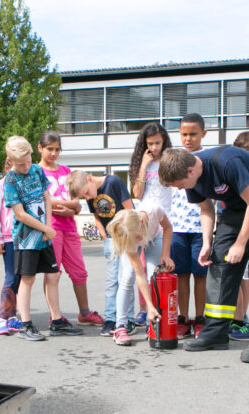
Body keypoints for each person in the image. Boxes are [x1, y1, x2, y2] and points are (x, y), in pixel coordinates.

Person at [159, 143, 249, 364]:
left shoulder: (225, 162)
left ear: (190, 171)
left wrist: (240, 243)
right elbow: (206, 209)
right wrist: (207, 242)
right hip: (235, 208)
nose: (179, 189)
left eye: (179, 185)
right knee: (219, 264)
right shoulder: (190, 177)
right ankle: (216, 332)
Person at [3, 135, 82, 341]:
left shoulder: (37, 170)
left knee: (53, 275)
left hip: (45, 235)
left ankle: (56, 321)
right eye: (20, 164)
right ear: (10, 161)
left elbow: (47, 197)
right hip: (26, 238)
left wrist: (47, 226)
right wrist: (44, 228)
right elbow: (20, 214)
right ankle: (25, 325)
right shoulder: (10, 180)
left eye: (28, 161)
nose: (26, 166)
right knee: (27, 279)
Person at [37, 131, 99, 328]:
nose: (54, 153)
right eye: (49, 149)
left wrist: (69, 208)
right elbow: (40, 201)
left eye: (57, 149)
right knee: (52, 273)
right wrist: (65, 206)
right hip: (50, 229)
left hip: (70, 228)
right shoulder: (35, 172)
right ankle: (54, 315)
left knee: (79, 272)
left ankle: (85, 313)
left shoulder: (66, 170)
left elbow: (78, 203)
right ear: (40, 148)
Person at [66, 169, 135, 337]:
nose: (88, 197)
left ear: (89, 179)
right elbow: (96, 215)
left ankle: (127, 319)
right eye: (84, 197)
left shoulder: (114, 182)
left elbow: (130, 209)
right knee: (112, 280)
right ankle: (111, 319)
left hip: (125, 237)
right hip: (110, 239)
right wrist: (103, 234)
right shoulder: (90, 194)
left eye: (87, 193)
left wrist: (130, 235)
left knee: (125, 278)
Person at [104, 201, 174, 346]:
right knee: (127, 277)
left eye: (136, 237)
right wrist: (148, 305)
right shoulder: (128, 234)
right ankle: (120, 326)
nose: (137, 241)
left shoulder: (155, 209)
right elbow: (139, 274)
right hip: (136, 238)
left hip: (154, 238)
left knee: (154, 277)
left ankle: (152, 323)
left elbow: (167, 228)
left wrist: (165, 254)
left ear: (141, 224)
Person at [128, 122, 173, 326]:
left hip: (164, 219)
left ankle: (159, 311)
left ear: (164, 141)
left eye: (157, 143)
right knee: (139, 268)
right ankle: (143, 309)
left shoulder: (169, 161)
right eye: (150, 144)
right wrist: (144, 166)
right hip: (143, 219)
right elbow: (137, 194)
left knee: (157, 269)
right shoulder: (141, 163)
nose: (154, 148)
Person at [168, 113, 209, 338]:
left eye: (193, 134)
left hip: (200, 227)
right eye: (184, 134)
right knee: (181, 274)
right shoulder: (174, 157)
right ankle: (183, 317)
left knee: (200, 274)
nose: (188, 138)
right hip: (177, 228)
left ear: (203, 133)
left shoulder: (207, 159)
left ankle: (200, 317)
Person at [229, 131, 249, 341]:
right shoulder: (234, 173)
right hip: (233, 231)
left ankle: (240, 320)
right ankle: (238, 318)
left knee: (246, 278)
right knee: (235, 276)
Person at [0, 160, 22, 335]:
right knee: (10, 277)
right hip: (8, 238)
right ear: (7, 168)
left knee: (20, 278)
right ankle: (2, 318)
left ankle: (12, 316)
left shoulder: (24, 184)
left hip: (24, 237)